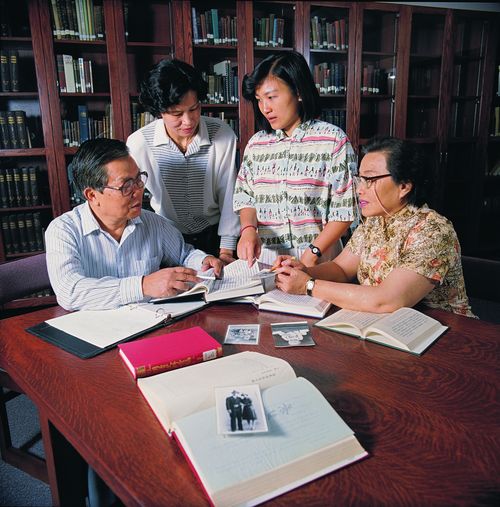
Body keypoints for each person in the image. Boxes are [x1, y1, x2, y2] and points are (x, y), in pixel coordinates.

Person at [273, 137, 475, 317]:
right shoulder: (375, 221)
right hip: (383, 325)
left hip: (442, 334)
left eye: (370, 180)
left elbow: (388, 300)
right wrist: (304, 270)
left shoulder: (433, 230)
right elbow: (341, 269)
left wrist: (308, 285)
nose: (360, 190)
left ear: (404, 186)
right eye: (360, 179)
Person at [45, 138, 223, 311]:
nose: (138, 191)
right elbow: (69, 291)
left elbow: (184, 255)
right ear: (92, 195)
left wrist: (203, 261)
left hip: (150, 324)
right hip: (95, 332)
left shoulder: (153, 223)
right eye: (126, 186)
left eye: (139, 179)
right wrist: (143, 286)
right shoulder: (63, 230)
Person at [233, 50, 358, 267]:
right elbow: (246, 197)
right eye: (259, 99)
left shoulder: (333, 140)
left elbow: (345, 209)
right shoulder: (256, 144)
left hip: (319, 258)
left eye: (271, 97)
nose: (265, 108)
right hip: (267, 260)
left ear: (298, 92)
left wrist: (310, 256)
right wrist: (248, 230)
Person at [127, 59, 239, 263]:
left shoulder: (222, 134)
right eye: (177, 114)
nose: (188, 121)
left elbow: (229, 194)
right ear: (159, 111)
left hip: (216, 235)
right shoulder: (139, 143)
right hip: (168, 237)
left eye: (194, 109)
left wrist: (226, 252)